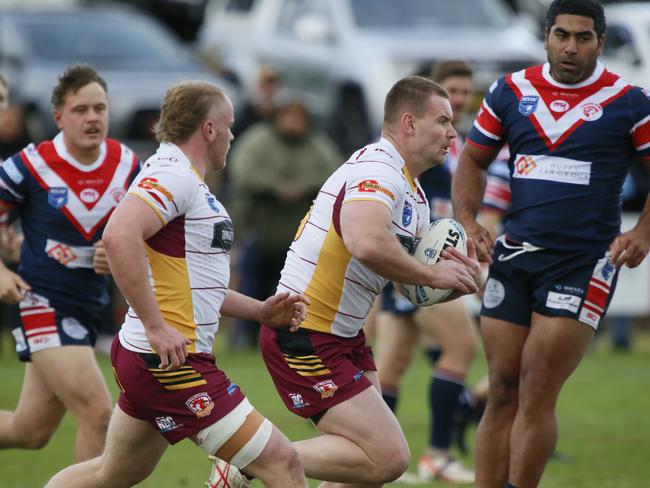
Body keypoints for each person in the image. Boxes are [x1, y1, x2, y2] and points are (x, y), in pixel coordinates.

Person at [46, 80, 311, 488]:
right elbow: (118, 236)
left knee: (112, 473)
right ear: (208, 129)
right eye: (229, 125)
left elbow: (194, 287)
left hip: (153, 357)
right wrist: (155, 325)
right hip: (170, 362)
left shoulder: (181, 176)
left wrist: (259, 311)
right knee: (283, 462)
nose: (232, 135)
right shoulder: (174, 176)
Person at [237, 75, 481, 488]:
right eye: (442, 121)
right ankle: (253, 459)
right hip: (304, 330)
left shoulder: (415, 195)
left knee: (360, 470)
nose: (452, 132)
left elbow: (405, 285)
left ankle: (261, 459)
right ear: (408, 123)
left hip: (342, 336)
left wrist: (449, 284)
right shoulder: (378, 167)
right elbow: (365, 242)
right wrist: (430, 272)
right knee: (388, 458)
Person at [451, 1, 650, 487]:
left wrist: (642, 231)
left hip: (584, 263)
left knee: (537, 389)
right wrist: (468, 220)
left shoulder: (629, 101)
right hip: (515, 256)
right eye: (562, 35)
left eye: (583, 38)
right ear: (546, 36)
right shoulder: (511, 91)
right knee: (501, 389)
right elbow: (473, 161)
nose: (571, 47)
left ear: (600, 43)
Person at [0, 64, 140, 461]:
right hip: (40, 303)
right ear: (58, 116)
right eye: (81, 110)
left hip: (88, 306)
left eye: (100, 108)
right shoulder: (31, 164)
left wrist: (119, 255)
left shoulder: (127, 165)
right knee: (98, 415)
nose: (93, 118)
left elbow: (148, 233)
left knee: (31, 430)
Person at [373, 61, 478, 484]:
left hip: (421, 257)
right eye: (451, 90)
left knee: (392, 365)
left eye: (465, 91)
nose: (459, 98)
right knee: (462, 346)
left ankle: (378, 456)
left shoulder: (456, 143)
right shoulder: (399, 152)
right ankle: (436, 453)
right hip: (415, 264)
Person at [229, 96, 340, 348]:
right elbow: (243, 172)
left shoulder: (319, 145)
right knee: (253, 282)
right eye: (287, 116)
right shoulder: (257, 141)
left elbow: (333, 173)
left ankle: (294, 333)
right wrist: (276, 188)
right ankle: (244, 337)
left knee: (294, 288)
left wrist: (302, 187)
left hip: (299, 235)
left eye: (298, 118)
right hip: (261, 229)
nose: (292, 123)